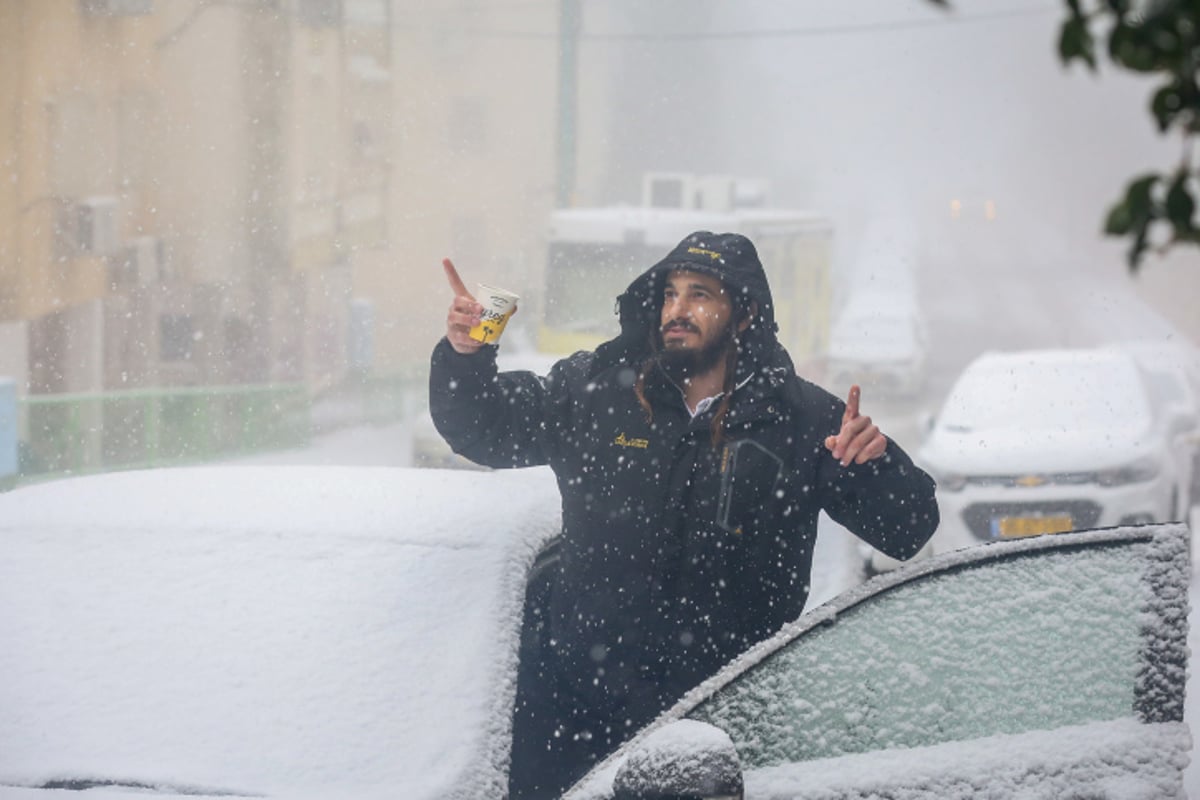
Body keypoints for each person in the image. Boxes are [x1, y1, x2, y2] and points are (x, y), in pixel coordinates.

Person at [430, 231, 939, 799]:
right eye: (670, 294)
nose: (677, 309)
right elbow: (483, 430)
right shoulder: (596, 392)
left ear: (743, 313)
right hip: (580, 719)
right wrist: (468, 355)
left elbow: (909, 527)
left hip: (730, 725)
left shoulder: (798, 419)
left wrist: (873, 463)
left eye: (700, 294)